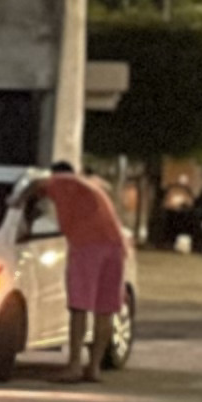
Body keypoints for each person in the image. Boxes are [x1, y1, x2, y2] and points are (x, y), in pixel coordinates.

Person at [41, 156, 132, 381]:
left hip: (87, 245)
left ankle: (74, 366)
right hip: (115, 245)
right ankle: (94, 368)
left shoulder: (62, 181)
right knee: (104, 310)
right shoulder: (91, 185)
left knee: (79, 307)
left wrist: (15, 199)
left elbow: (35, 185)